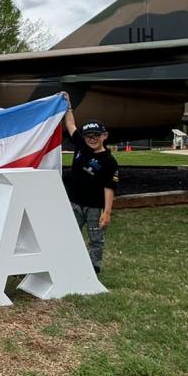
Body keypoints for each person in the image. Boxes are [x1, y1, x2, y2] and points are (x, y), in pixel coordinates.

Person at [62, 93, 118, 273]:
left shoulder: (109, 161)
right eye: (88, 136)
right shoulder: (81, 146)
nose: (92, 139)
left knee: (96, 239)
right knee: (69, 234)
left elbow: (109, 187)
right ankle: (68, 264)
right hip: (74, 203)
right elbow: (70, 125)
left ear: (104, 136)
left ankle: (93, 269)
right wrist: (68, 106)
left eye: (96, 136)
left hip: (94, 207)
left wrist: (107, 213)